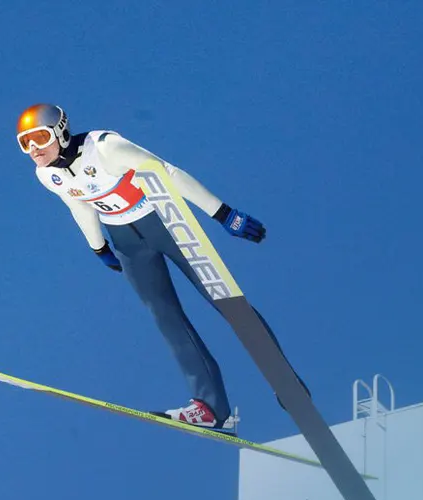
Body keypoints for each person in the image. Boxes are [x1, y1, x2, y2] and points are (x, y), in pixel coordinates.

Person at [15, 103, 268, 435]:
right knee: (165, 316)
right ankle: (210, 408)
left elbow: (168, 172)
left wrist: (222, 213)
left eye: (40, 138)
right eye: (25, 142)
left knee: (222, 298)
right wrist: (99, 247)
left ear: (60, 132)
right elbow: (77, 203)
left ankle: (281, 377)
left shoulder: (105, 148)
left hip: (164, 221)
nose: (34, 149)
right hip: (126, 239)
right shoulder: (47, 174)